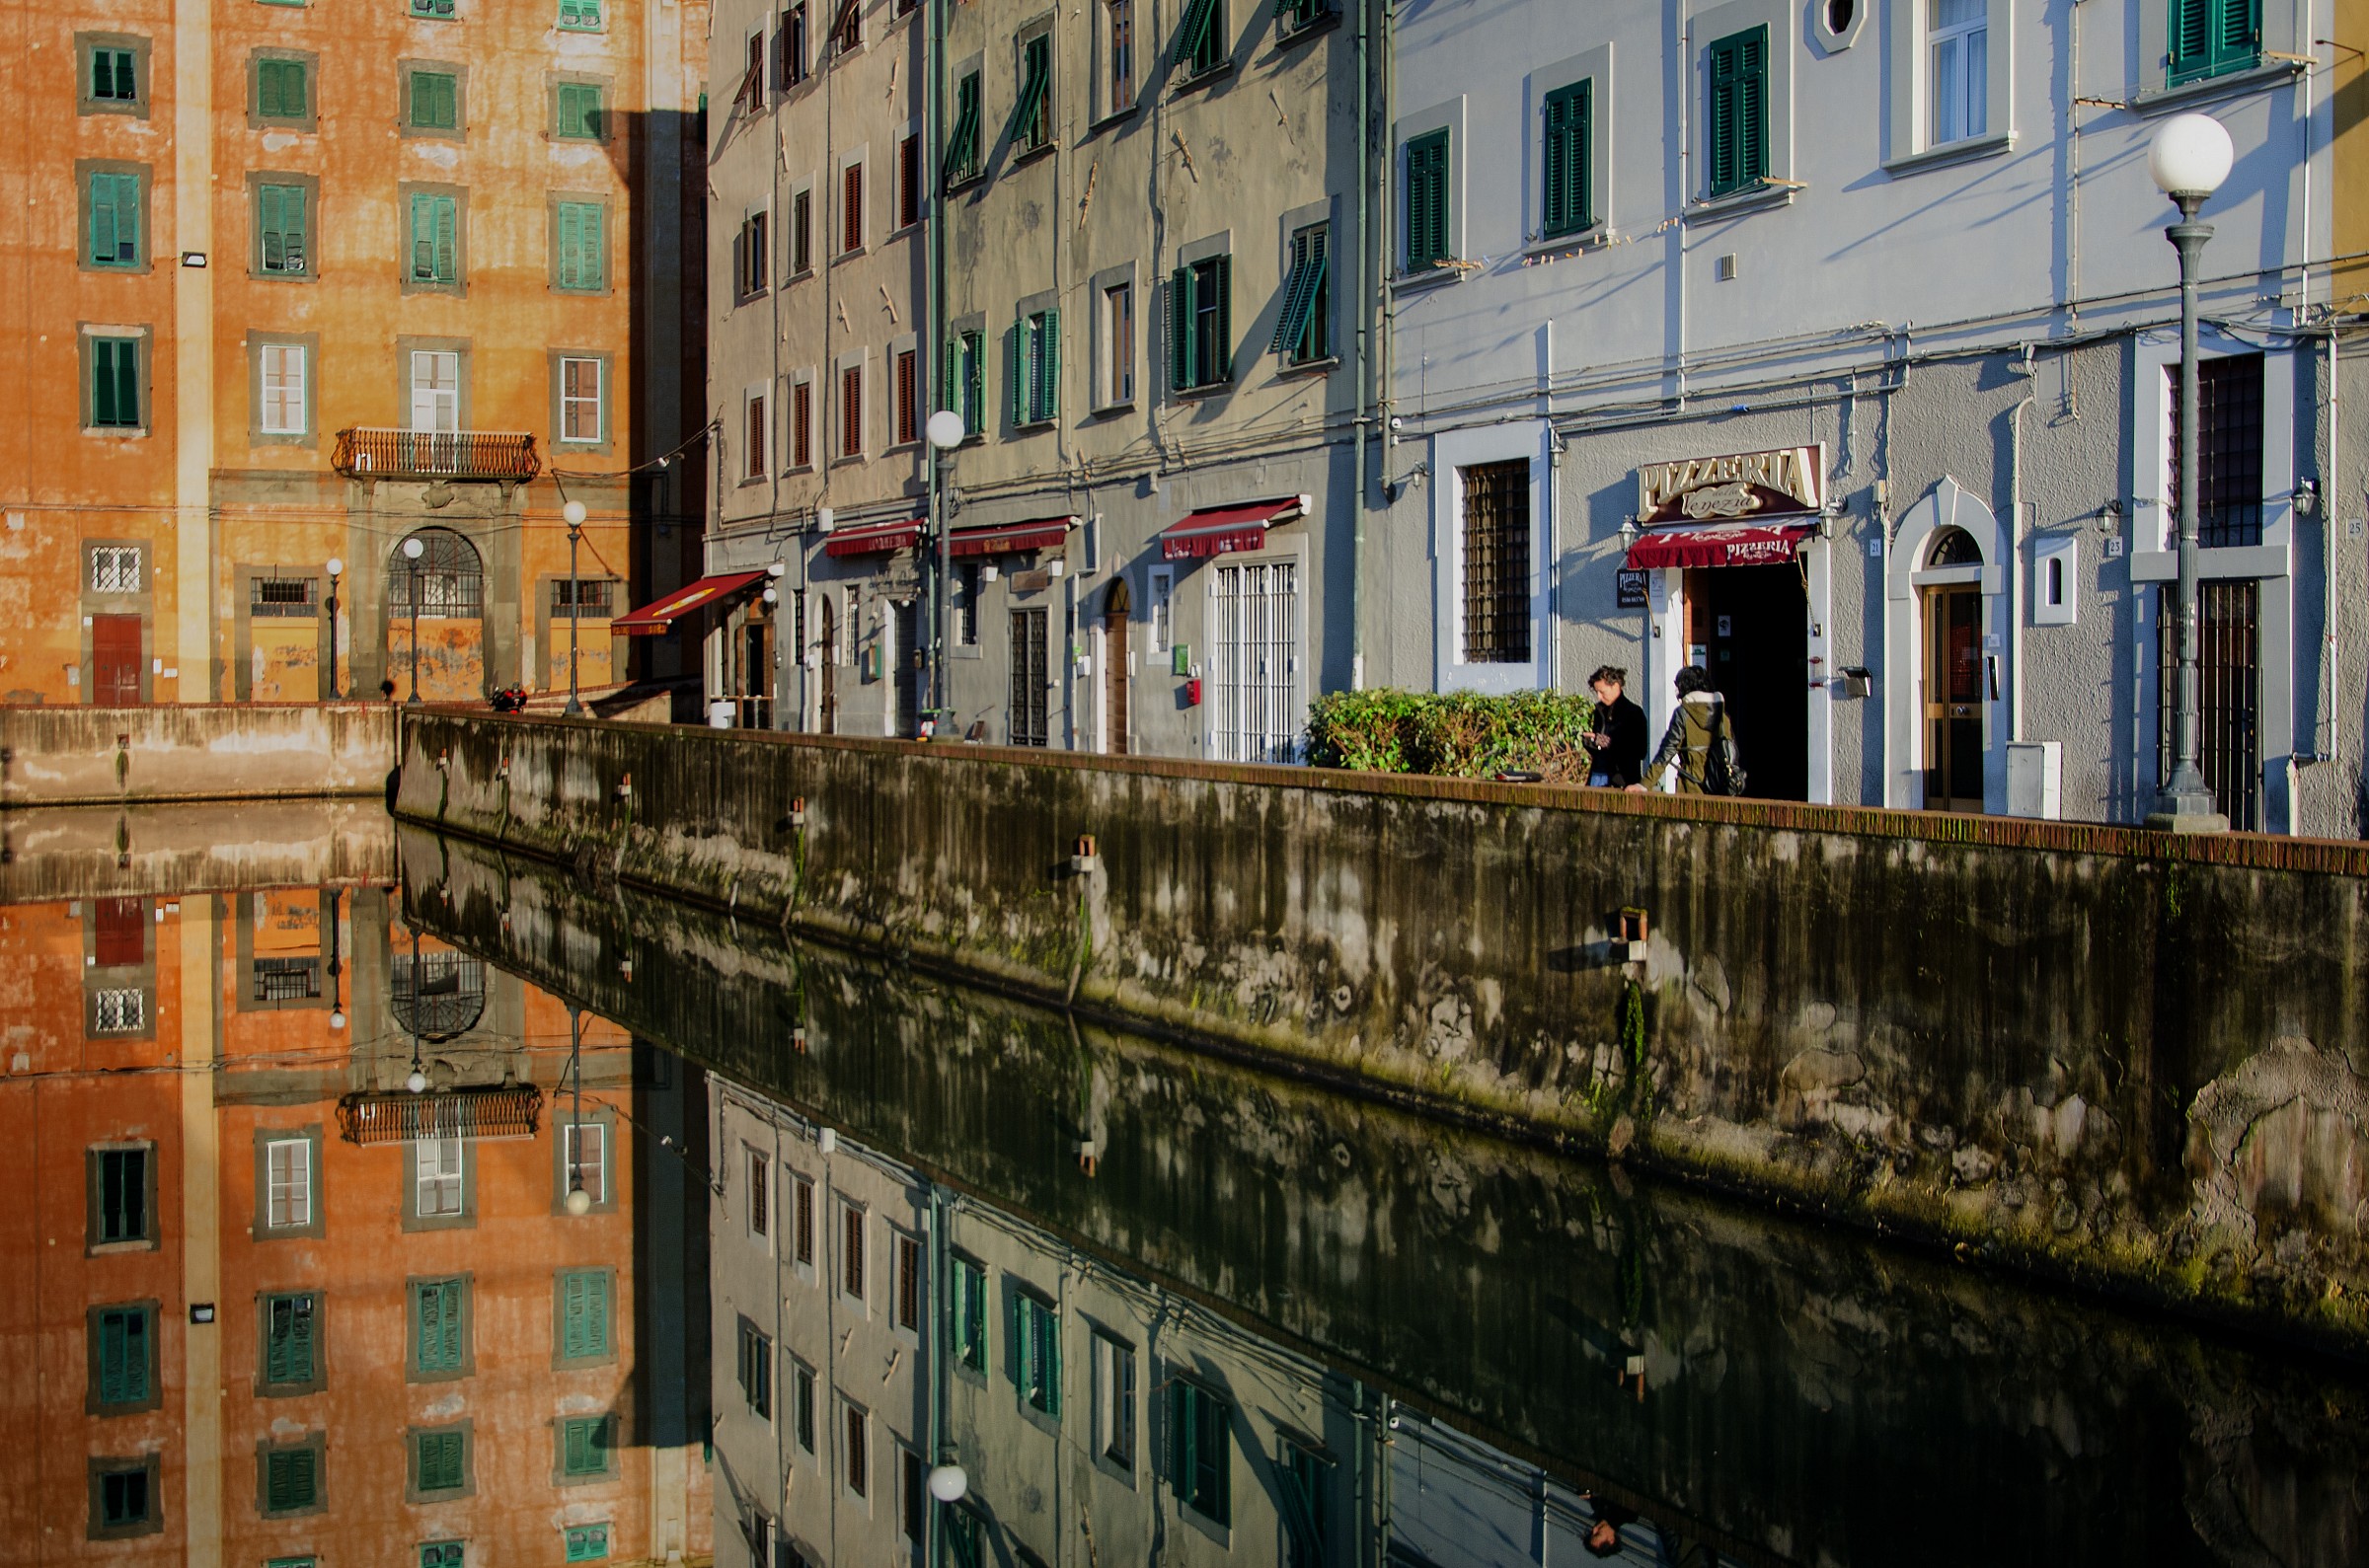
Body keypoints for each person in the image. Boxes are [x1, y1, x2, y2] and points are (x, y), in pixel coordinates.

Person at [1630, 665, 1745, 796]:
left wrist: (1645, 784)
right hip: (1720, 783)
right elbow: (1732, 751)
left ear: (1684, 687)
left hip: (1691, 783)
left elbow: (1667, 750)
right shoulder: (1723, 715)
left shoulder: (1683, 713)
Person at [1583, 665, 1648, 787]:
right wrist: (1590, 743)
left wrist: (1607, 743)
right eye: (1596, 692)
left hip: (1623, 779)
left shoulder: (1633, 713)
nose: (1599, 697)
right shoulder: (1599, 711)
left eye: (1602, 692)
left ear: (1616, 686)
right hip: (1598, 774)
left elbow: (1640, 751)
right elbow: (1598, 747)